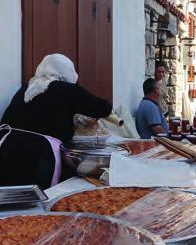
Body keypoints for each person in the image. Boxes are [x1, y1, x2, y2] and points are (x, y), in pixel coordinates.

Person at [0, 54, 112, 188]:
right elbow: (103, 108)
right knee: (40, 200)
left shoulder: (27, 88)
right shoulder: (66, 89)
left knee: (9, 198)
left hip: (5, 147)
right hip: (38, 155)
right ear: (68, 73)